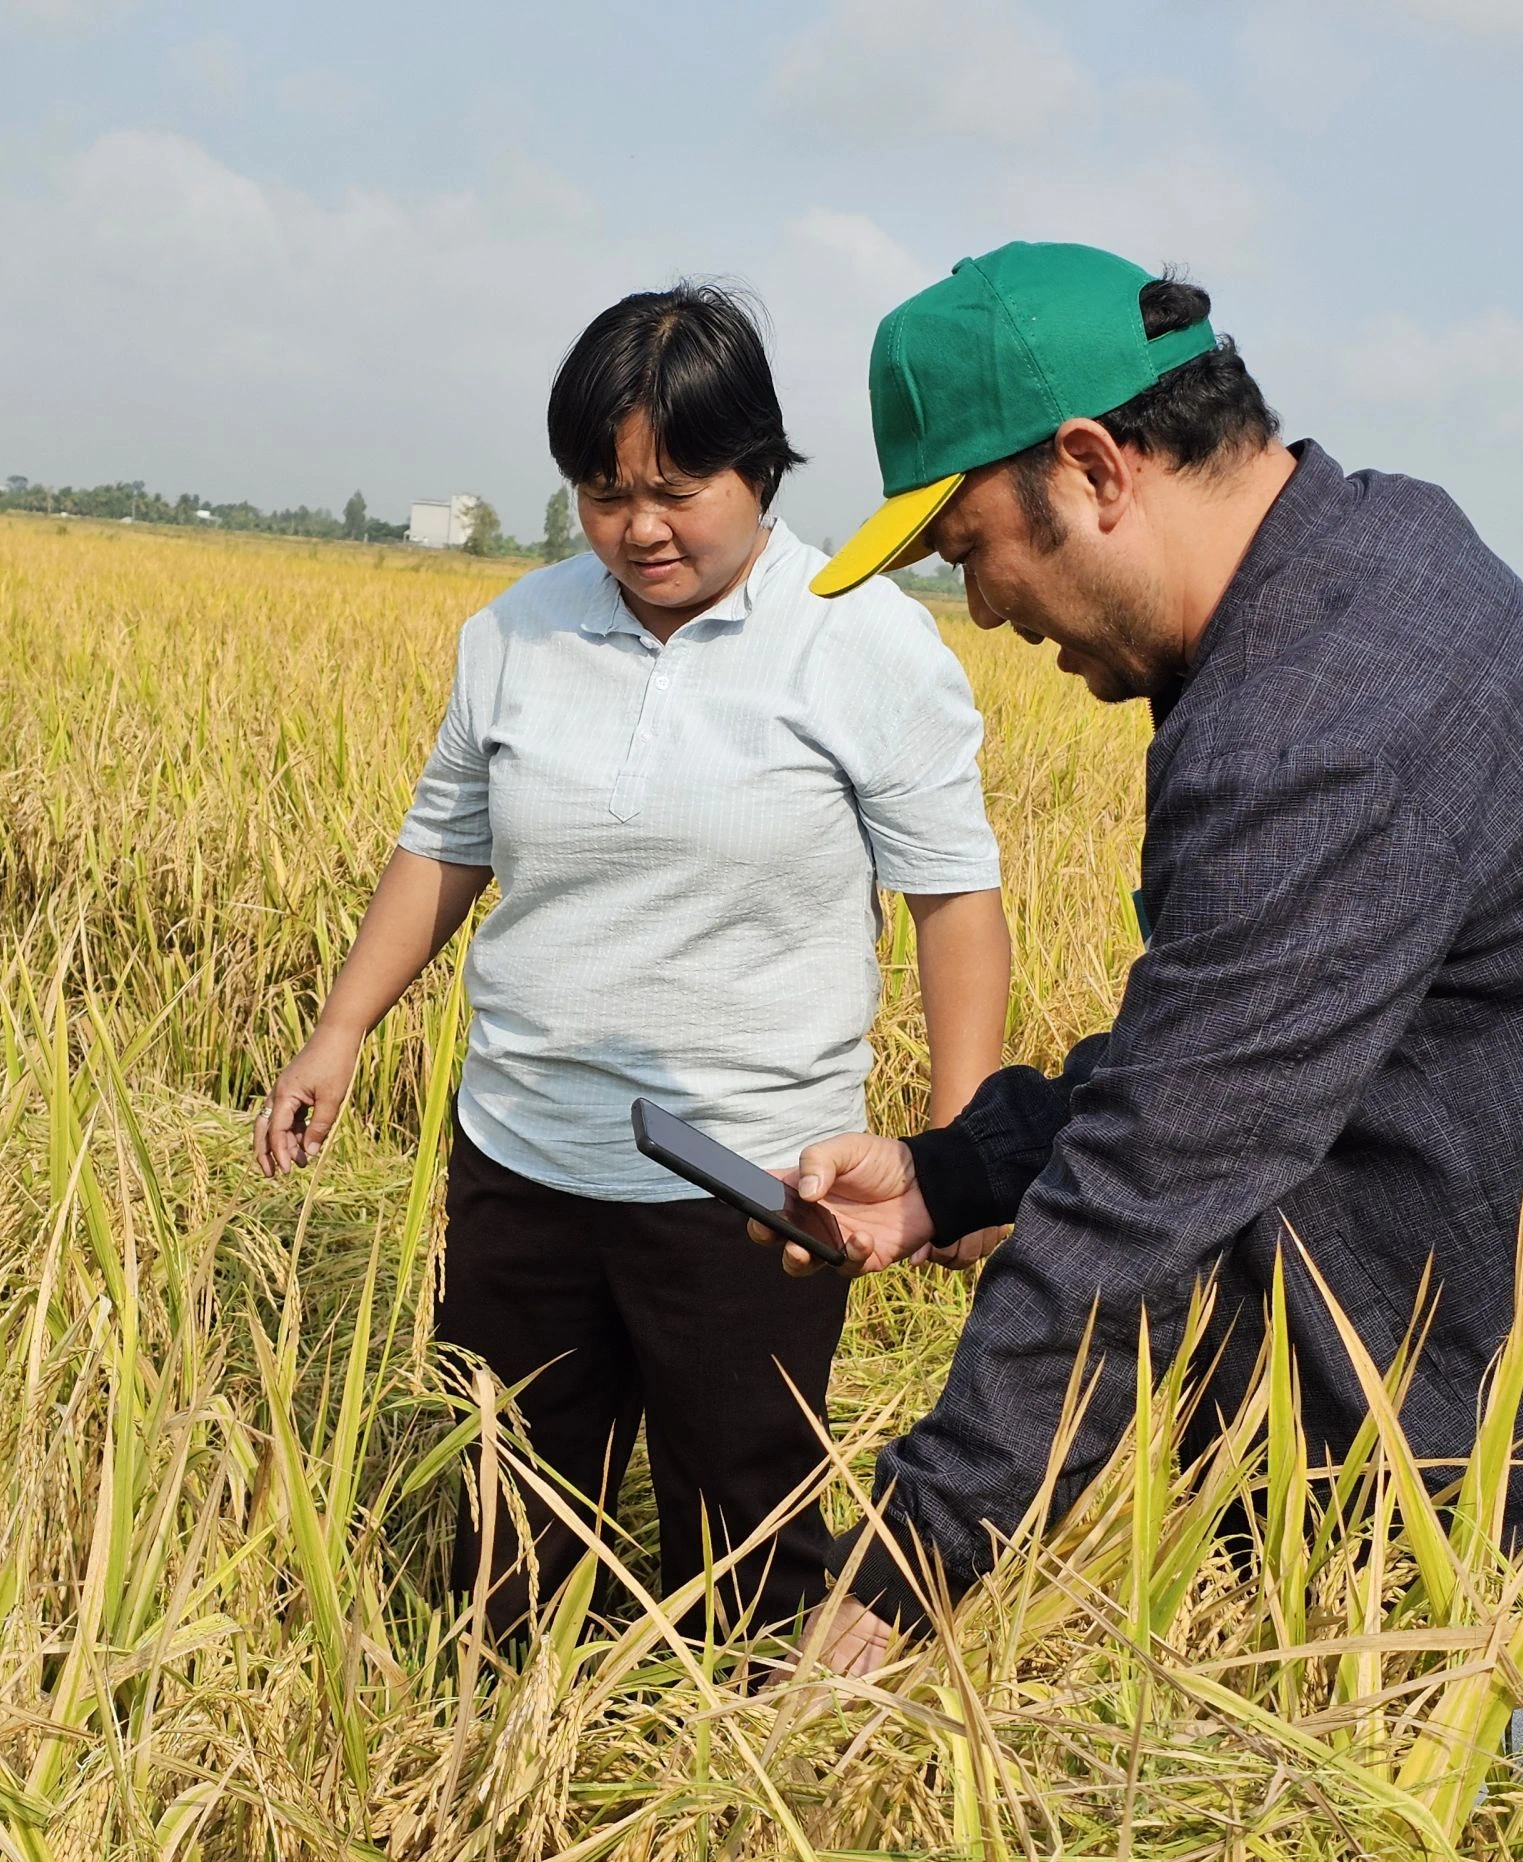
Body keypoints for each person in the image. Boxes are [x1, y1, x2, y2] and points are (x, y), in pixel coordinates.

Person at [775, 241, 1523, 1680]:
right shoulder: (1367, 551)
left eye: (968, 554)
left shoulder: (1320, 729)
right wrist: (955, 1169)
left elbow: (1144, 1202)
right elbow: (1230, 1046)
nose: (990, 614)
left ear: (1092, 468)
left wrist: (910, 1558)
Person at [255, 282, 1011, 1639]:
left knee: (747, 1533)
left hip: (746, 1179)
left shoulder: (865, 642)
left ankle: (741, 1799)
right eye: (605, 492)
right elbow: (444, 848)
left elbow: (953, 899)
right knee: (509, 1524)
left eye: (679, 486)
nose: (640, 527)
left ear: (761, 468)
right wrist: (341, 1029)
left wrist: (957, 1150)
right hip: (525, 1152)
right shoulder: (518, 631)